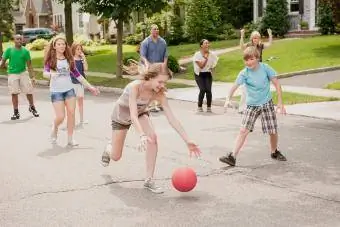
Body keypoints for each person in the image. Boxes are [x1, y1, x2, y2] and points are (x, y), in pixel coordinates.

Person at [101, 63, 201, 194]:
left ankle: (149, 180)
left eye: (164, 82)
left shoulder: (158, 93)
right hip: (121, 116)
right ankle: (109, 149)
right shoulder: (135, 87)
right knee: (116, 156)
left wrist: (187, 140)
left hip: (141, 113)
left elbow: (172, 118)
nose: (162, 85)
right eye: (160, 81)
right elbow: (132, 114)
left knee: (152, 138)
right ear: (151, 77)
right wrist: (141, 135)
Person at [220, 46, 287, 166]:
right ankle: (232, 157)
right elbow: (234, 86)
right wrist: (228, 99)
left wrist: (280, 102)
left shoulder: (265, 68)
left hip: (266, 103)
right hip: (252, 105)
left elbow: (277, 84)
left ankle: (274, 151)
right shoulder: (244, 73)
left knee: (272, 131)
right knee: (243, 130)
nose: (248, 62)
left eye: (251, 59)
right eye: (246, 60)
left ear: (257, 58)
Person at [43, 36, 99, 146]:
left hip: (69, 90)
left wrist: (90, 87)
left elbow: (78, 75)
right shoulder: (51, 60)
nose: (62, 46)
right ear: (54, 46)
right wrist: (51, 74)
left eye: (63, 44)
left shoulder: (69, 59)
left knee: (72, 114)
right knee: (60, 117)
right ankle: (55, 127)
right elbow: (45, 73)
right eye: (59, 44)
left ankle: (70, 138)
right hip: (56, 91)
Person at [0, 34, 40, 120]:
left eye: (21, 39)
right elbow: (2, 61)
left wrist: (32, 77)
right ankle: (16, 112)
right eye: (17, 39)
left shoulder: (25, 51)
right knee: (14, 93)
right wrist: (2, 64)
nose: (19, 41)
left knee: (29, 91)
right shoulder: (9, 50)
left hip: (23, 73)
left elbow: (29, 65)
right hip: (12, 74)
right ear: (14, 40)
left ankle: (32, 107)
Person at [238, 28, 273, 114]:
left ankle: (258, 107)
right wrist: (242, 36)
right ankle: (242, 108)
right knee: (245, 89)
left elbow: (269, 44)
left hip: (259, 70)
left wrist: (270, 35)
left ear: (259, 39)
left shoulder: (260, 46)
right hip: (250, 69)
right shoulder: (249, 45)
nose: (255, 39)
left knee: (259, 89)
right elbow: (242, 47)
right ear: (252, 39)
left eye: (257, 38)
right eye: (254, 38)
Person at [140, 24, 168, 112]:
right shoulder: (146, 42)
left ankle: (159, 104)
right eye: (154, 29)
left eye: (157, 29)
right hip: (150, 68)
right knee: (151, 87)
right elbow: (143, 56)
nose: (156, 30)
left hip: (159, 67)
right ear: (151, 31)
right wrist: (147, 65)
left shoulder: (162, 42)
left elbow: (166, 56)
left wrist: (164, 66)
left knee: (160, 86)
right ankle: (151, 106)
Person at [193, 39, 218, 112]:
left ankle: (209, 107)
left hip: (207, 73)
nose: (207, 44)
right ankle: (199, 106)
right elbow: (201, 66)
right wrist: (206, 58)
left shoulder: (212, 54)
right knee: (202, 89)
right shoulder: (197, 54)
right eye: (205, 43)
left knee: (208, 90)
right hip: (199, 74)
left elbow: (214, 64)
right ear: (201, 46)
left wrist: (212, 69)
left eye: (208, 43)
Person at [71, 43, 88, 126]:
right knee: (72, 103)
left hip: (80, 83)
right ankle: (72, 120)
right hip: (72, 83)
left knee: (80, 102)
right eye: (77, 49)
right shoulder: (71, 59)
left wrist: (84, 58)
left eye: (80, 49)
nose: (79, 51)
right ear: (73, 49)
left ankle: (81, 120)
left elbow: (86, 69)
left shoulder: (81, 59)